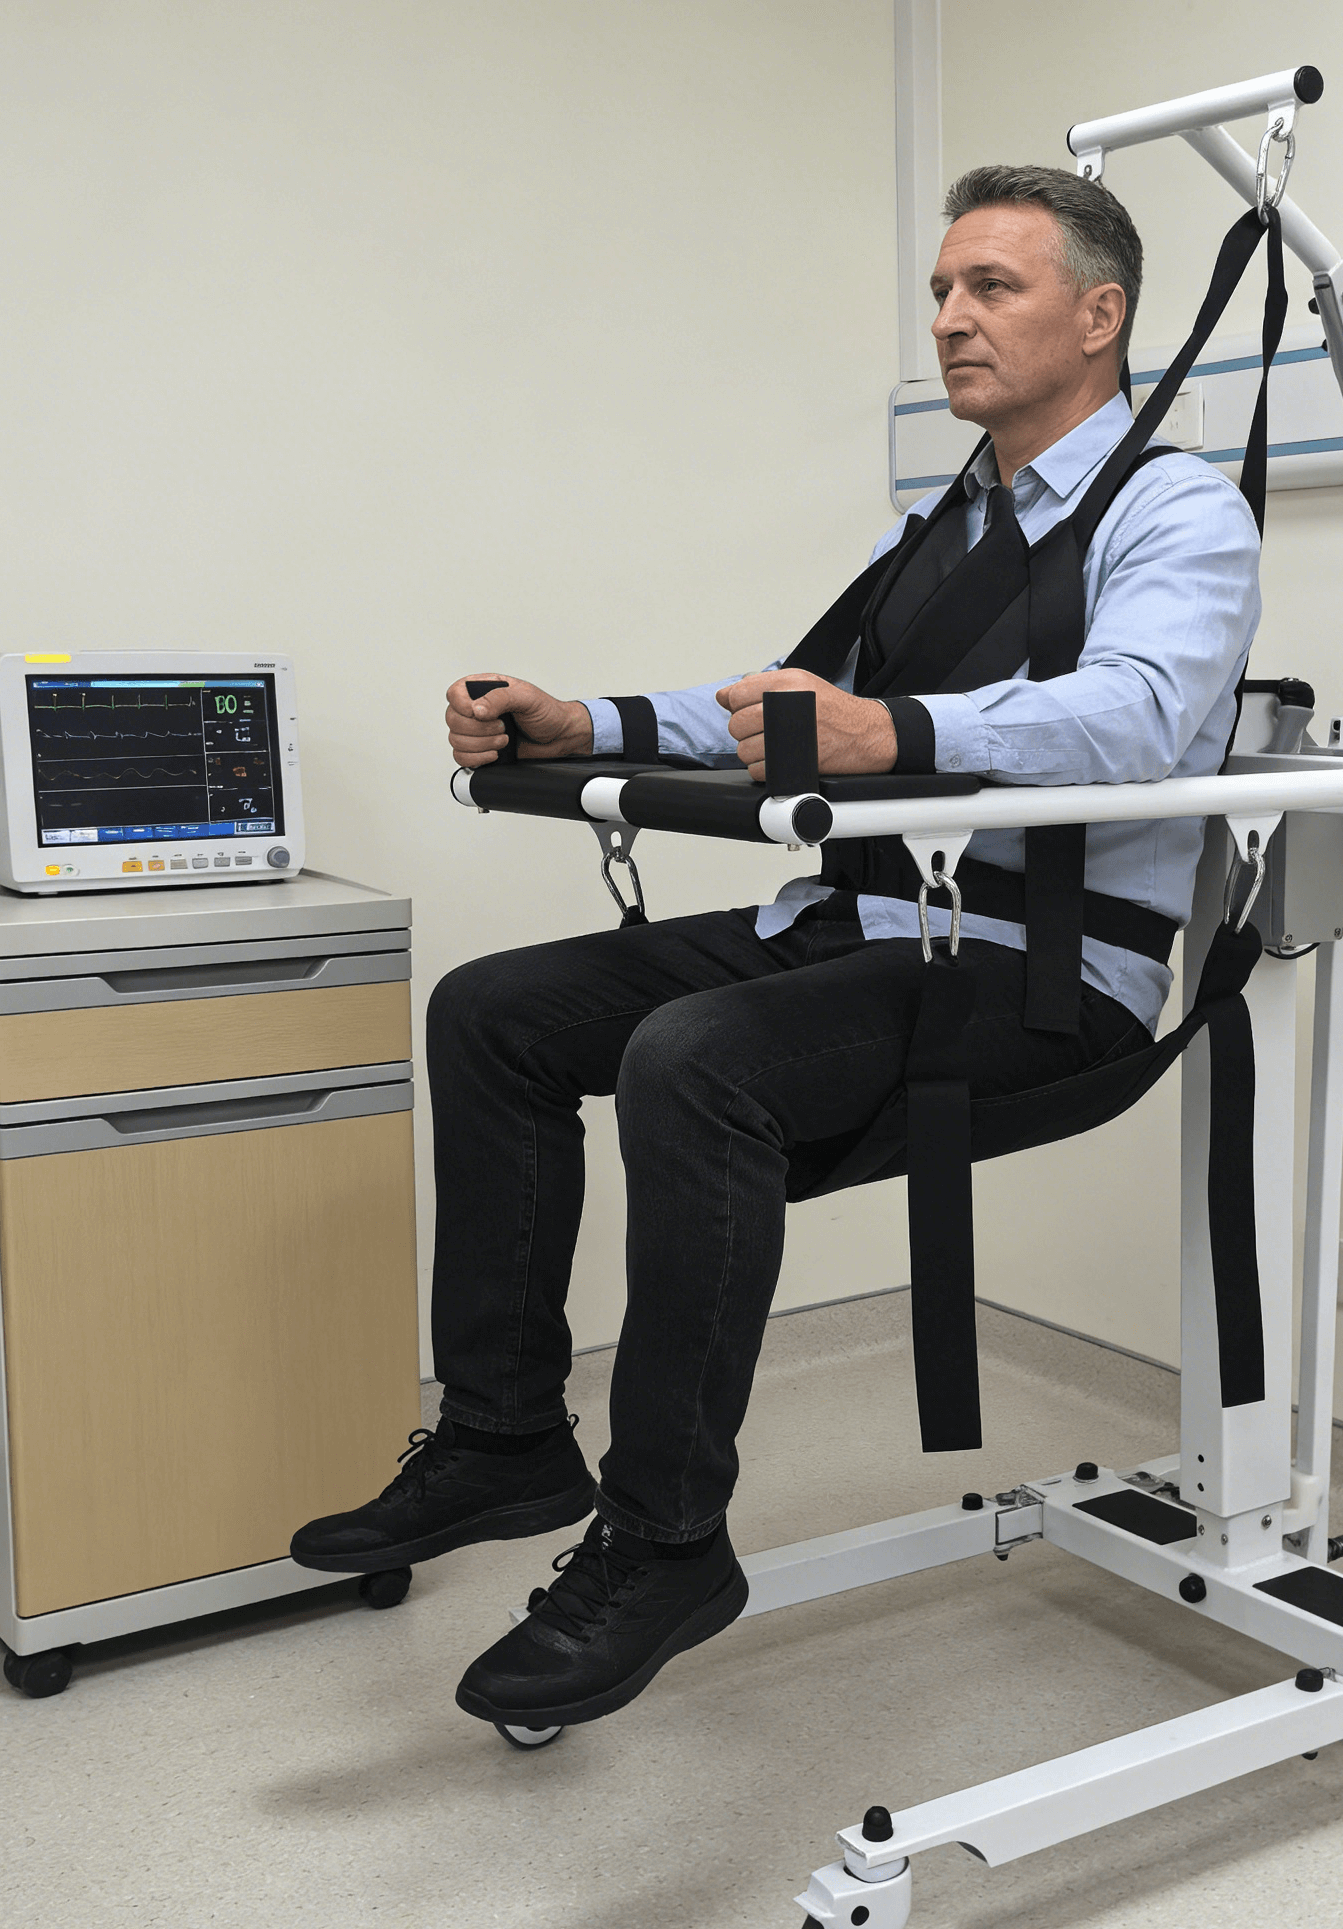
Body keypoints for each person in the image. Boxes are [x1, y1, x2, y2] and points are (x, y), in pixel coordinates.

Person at [290, 164, 1263, 1734]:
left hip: (1039, 972)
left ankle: (667, 1538)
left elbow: (1142, 713)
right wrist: (585, 720)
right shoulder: (946, 521)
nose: (950, 319)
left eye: (992, 287)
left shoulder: (1178, 511)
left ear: (1102, 316)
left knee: (694, 1062)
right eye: (941, 291)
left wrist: (898, 733)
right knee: (493, 1012)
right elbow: (785, 704)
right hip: (861, 926)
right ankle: (505, 1433)